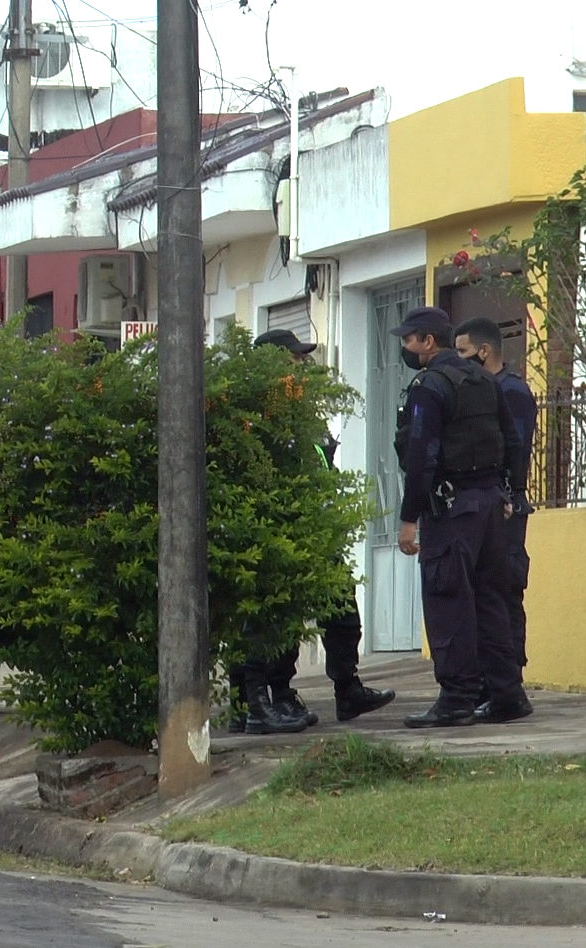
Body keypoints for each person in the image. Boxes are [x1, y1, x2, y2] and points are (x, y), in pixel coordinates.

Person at [226, 329, 397, 734]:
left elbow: (321, 460)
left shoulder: (301, 409)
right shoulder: (256, 411)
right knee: (269, 621)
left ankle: (341, 689)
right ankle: (257, 702)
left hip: (315, 529)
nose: (301, 368)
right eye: (294, 360)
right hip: (274, 530)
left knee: (341, 611)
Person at [389, 307, 532, 728]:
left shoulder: (431, 386)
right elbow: (512, 441)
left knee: (448, 599)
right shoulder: (486, 380)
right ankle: (506, 693)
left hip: (452, 510)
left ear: (428, 341)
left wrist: (409, 518)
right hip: (490, 507)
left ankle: (456, 698)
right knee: (491, 601)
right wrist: (511, 492)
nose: (404, 347)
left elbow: (421, 455)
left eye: (408, 340)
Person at [455, 317, 537, 721]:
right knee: (484, 594)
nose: (458, 360)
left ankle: (508, 685)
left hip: (506, 509)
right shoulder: (480, 390)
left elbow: (515, 450)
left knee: (504, 593)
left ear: (483, 352)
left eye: (463, 352)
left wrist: (506, 494)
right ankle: (489, 683)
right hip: (487, 508)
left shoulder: (511, 391)